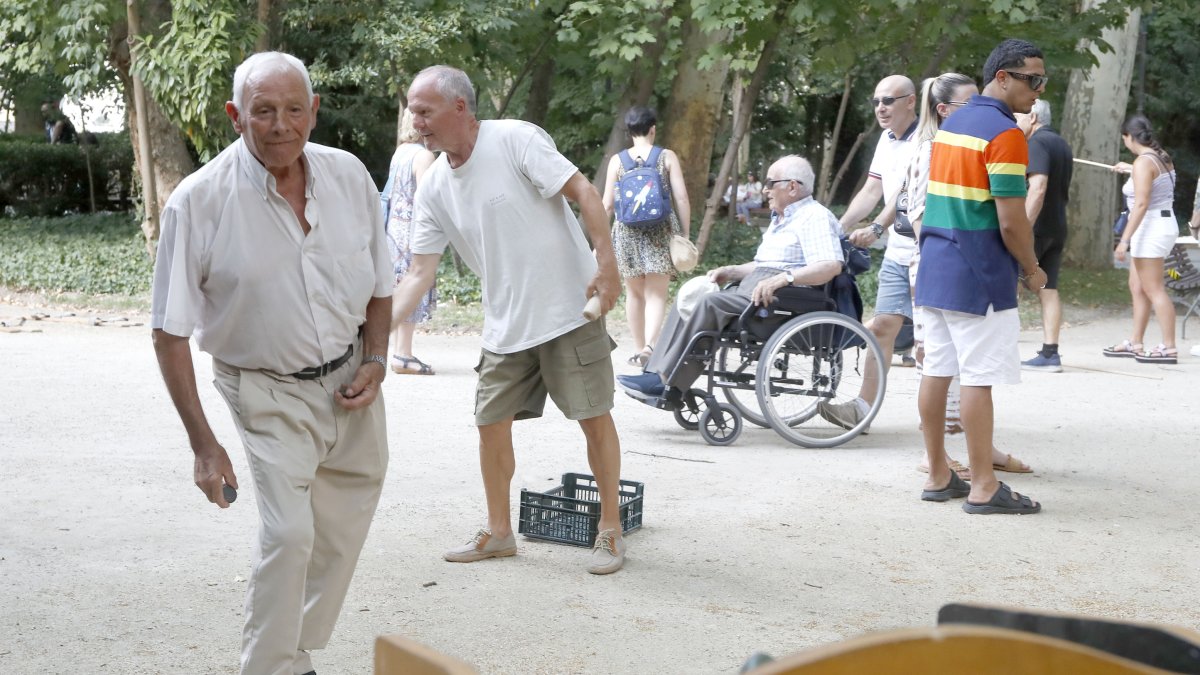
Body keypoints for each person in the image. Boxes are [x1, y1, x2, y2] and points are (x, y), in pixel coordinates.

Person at [150, 52, 392, 674]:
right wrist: (204, 446)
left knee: (341, 527)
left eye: (293, 109)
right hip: (265, 387)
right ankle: (271, 667)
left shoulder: (349, 176)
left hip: (350, 379)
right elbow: (170, 335)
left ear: (314, 110)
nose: (281, 125)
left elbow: (380, 283)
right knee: (289, 535)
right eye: (263, 111)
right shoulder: (197, 202)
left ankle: (295, 650)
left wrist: (377, 357)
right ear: (236, 117)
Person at [392, 65, 628, 574]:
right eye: (413, 113)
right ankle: (501, 533)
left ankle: (610, 528)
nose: (417, 123)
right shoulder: (434, 186)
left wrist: (606, 265)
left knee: (593, 418)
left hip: (569, 310)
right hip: (505, 323)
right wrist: (373, 330)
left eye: (424, 111)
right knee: (489, 424)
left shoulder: (515, 139)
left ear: (460, 107)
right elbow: (417, 273)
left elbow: (584, 192)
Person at [915, 38, 1047, 514]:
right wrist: (1032, 270)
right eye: (1033, 79)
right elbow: (1012, 221)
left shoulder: (954, 123)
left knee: (936, 372)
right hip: (978, 270)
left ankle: (937, 474)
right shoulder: (1004, 133)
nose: (1038, 90)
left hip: (936, 264)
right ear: (1004, 77)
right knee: (976, 378)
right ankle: (984, 486)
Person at [617, 155, 844, 401]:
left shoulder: (815, 216)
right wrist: (732, 271)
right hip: (757, 289)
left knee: (709, 304)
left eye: (770, 183)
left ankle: (667, 382)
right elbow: (763, 265)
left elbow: (830, 265)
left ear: (792, 186)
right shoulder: (781, 219)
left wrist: (784, 279)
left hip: (781, 300)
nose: (765, 189)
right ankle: (654, 373)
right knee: (691, 298)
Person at [821, 74, 919, 430]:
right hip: (897, 253)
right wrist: (838, 225)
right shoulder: (886, 139)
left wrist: (878, 227)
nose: (881, 107)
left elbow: (905, 192)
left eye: (888, 100)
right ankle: (862, 407)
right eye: (877, 100)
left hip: (928, 251)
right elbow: (872, 189)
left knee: (930, 337)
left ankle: (944, 413)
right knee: (882, 328)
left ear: (911, 101)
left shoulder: (926, 140)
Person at [600, 106, 690, 368]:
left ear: (629, 132)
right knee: (656, 293)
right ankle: (650, 346)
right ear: (653, 129)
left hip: (627, 233)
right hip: (661, 230)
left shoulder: (618, 161)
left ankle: (639, 348)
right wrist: (684, 233)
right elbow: (681, 197)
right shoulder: (666, 156)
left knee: (634, 294)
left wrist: (601, 241)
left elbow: (607, 204)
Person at [1104, 115, 1178, 364]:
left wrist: (1124, 240)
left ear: (1128, 137)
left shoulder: (1143, 163)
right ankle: (1135, 341)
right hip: (1162, 223)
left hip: (1152, 227)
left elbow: (1143, 203)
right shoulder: (1160, 156)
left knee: (1154, 288)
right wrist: (1130, 168)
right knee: (1137, 286)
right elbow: (1150, 177)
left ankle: (1169, 347)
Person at [1018, 99, 1074, 372]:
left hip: (1037, 228)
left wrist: (1023, 227)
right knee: (1047, 289)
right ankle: (1051, 354)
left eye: (1017, 116)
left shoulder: (1037, 143)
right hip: (1057, 226)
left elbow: (1037, 189)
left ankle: (999, 349)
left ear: (1033, 116)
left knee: (1011, 281)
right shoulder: (1061, 143)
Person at [381, 109, 438, 375]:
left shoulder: (401, 152)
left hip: (394, 228)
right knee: (413, 285)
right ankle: (403, 354)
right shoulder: (424, 156)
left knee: (399, 286)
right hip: (414, 230)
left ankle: (399, 351)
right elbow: (427, 197)